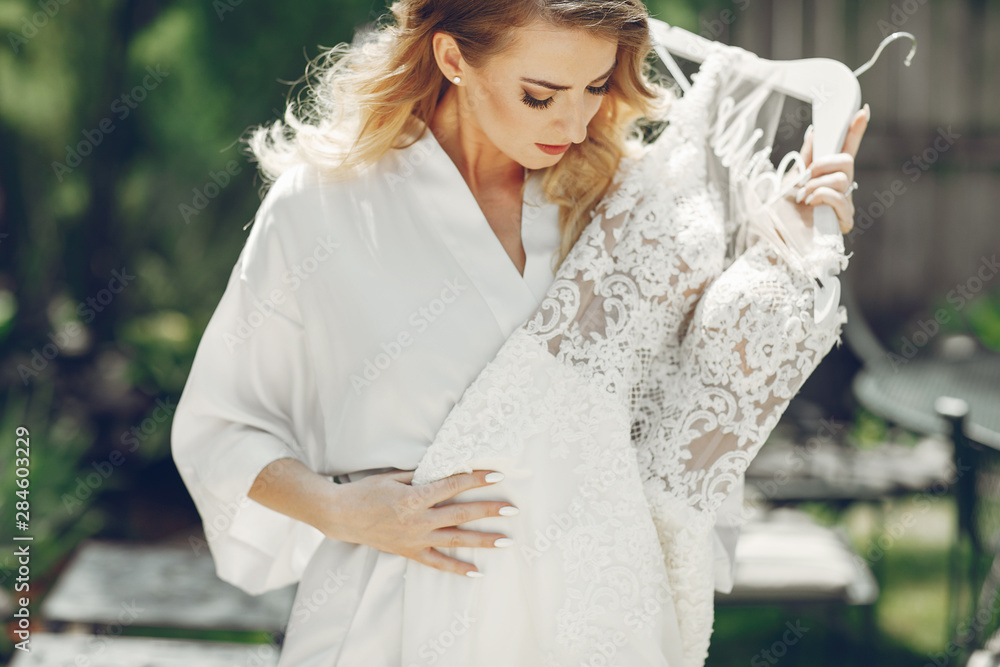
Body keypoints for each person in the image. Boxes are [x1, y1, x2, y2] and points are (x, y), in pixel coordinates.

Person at [170, 1, 869, 664]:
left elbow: (699, 396)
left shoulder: (628, 204)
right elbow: (223, 426)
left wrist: (792, 238)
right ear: (451, 56)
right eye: (541, 93)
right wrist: (340, 510)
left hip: (595, 613)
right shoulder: (324, 207)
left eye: (595, 85)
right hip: (398, 613)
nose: (575, 119)